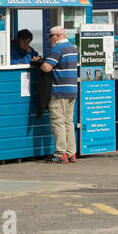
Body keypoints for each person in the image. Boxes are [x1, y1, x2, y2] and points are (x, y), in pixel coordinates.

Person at [39, 25, 78, 163]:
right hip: (72, 90)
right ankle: (71, 153)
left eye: (50, 36)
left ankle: (60, 154)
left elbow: (46, 67)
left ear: (57, 36)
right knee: (69, 122)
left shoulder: (57, 48)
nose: (49, 39)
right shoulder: (73, 48)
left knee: (58, 122)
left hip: (59, 91)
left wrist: (39, 62)